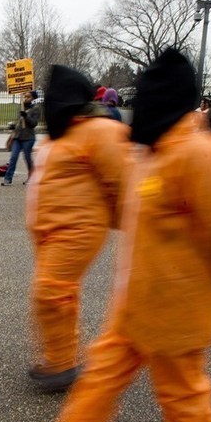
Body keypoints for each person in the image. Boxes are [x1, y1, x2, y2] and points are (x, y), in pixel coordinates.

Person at [20, 48, 211, 422]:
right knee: (101, 379)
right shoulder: (157, 151)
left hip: (176, 308)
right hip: (138, 302)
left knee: (183, 398)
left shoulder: (198, 154)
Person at [25, 65, 129, 392]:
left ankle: (61, 364)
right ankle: (60, 357)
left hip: (77, 230)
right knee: (59, 294)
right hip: (52, 229)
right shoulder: (66, 133)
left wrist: (120, 221)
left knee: (50, 292)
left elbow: (125, 181)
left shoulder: (100, 130)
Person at [2, 90, 39, 185]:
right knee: (13, 157)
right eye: (25, 96)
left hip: (28, 137)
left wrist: (26, 116)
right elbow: (19, 122)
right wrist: (13, 126)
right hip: (17, 137)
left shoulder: (35, 109)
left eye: (28, 97)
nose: (26, 98)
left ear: (33, 99)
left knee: (27, 158)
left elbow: (33, 124)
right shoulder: (21, 107)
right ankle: (8, 178)